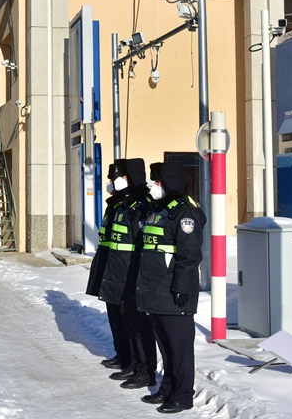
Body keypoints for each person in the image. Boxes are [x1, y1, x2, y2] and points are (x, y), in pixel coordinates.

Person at [136, 161, 206, 414]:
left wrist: (181, 289)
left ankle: (183, 395)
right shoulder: (159, 210)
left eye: (158, 181)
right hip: (156, 290)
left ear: (170, 183)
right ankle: (167, 388)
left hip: (174, 293)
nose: (154, 186)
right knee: (166, 348)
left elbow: (189, 257)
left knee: (180, 349)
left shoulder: (183, 213)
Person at [99, 158, 157, 389]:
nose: (112, 182)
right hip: (116, 269)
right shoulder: (120, 203)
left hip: (130, 272)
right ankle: (129, 360)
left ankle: (141, 367)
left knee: (137, 325)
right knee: (122, 319)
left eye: (117, 178)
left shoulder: (140, 204)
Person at [85, 163, 131, 370]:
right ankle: (121, 354)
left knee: (126, 318)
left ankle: (130, 359)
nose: (112, 183)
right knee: (114, 315)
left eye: (116, 179)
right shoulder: (113, 204)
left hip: (124, 269)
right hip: (109, 266)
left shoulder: (134, 205)